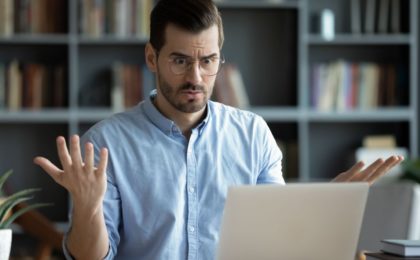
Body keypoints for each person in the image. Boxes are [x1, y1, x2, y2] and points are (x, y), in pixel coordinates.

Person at [34, 0, 404, 259]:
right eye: (180, 60)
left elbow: (274, 245)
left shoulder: (253, 134)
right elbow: (91, 257)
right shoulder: (106, 144)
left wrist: (320, 209)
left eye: (208, 61)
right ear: (152, 57)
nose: (196, 77)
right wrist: (87, 209)